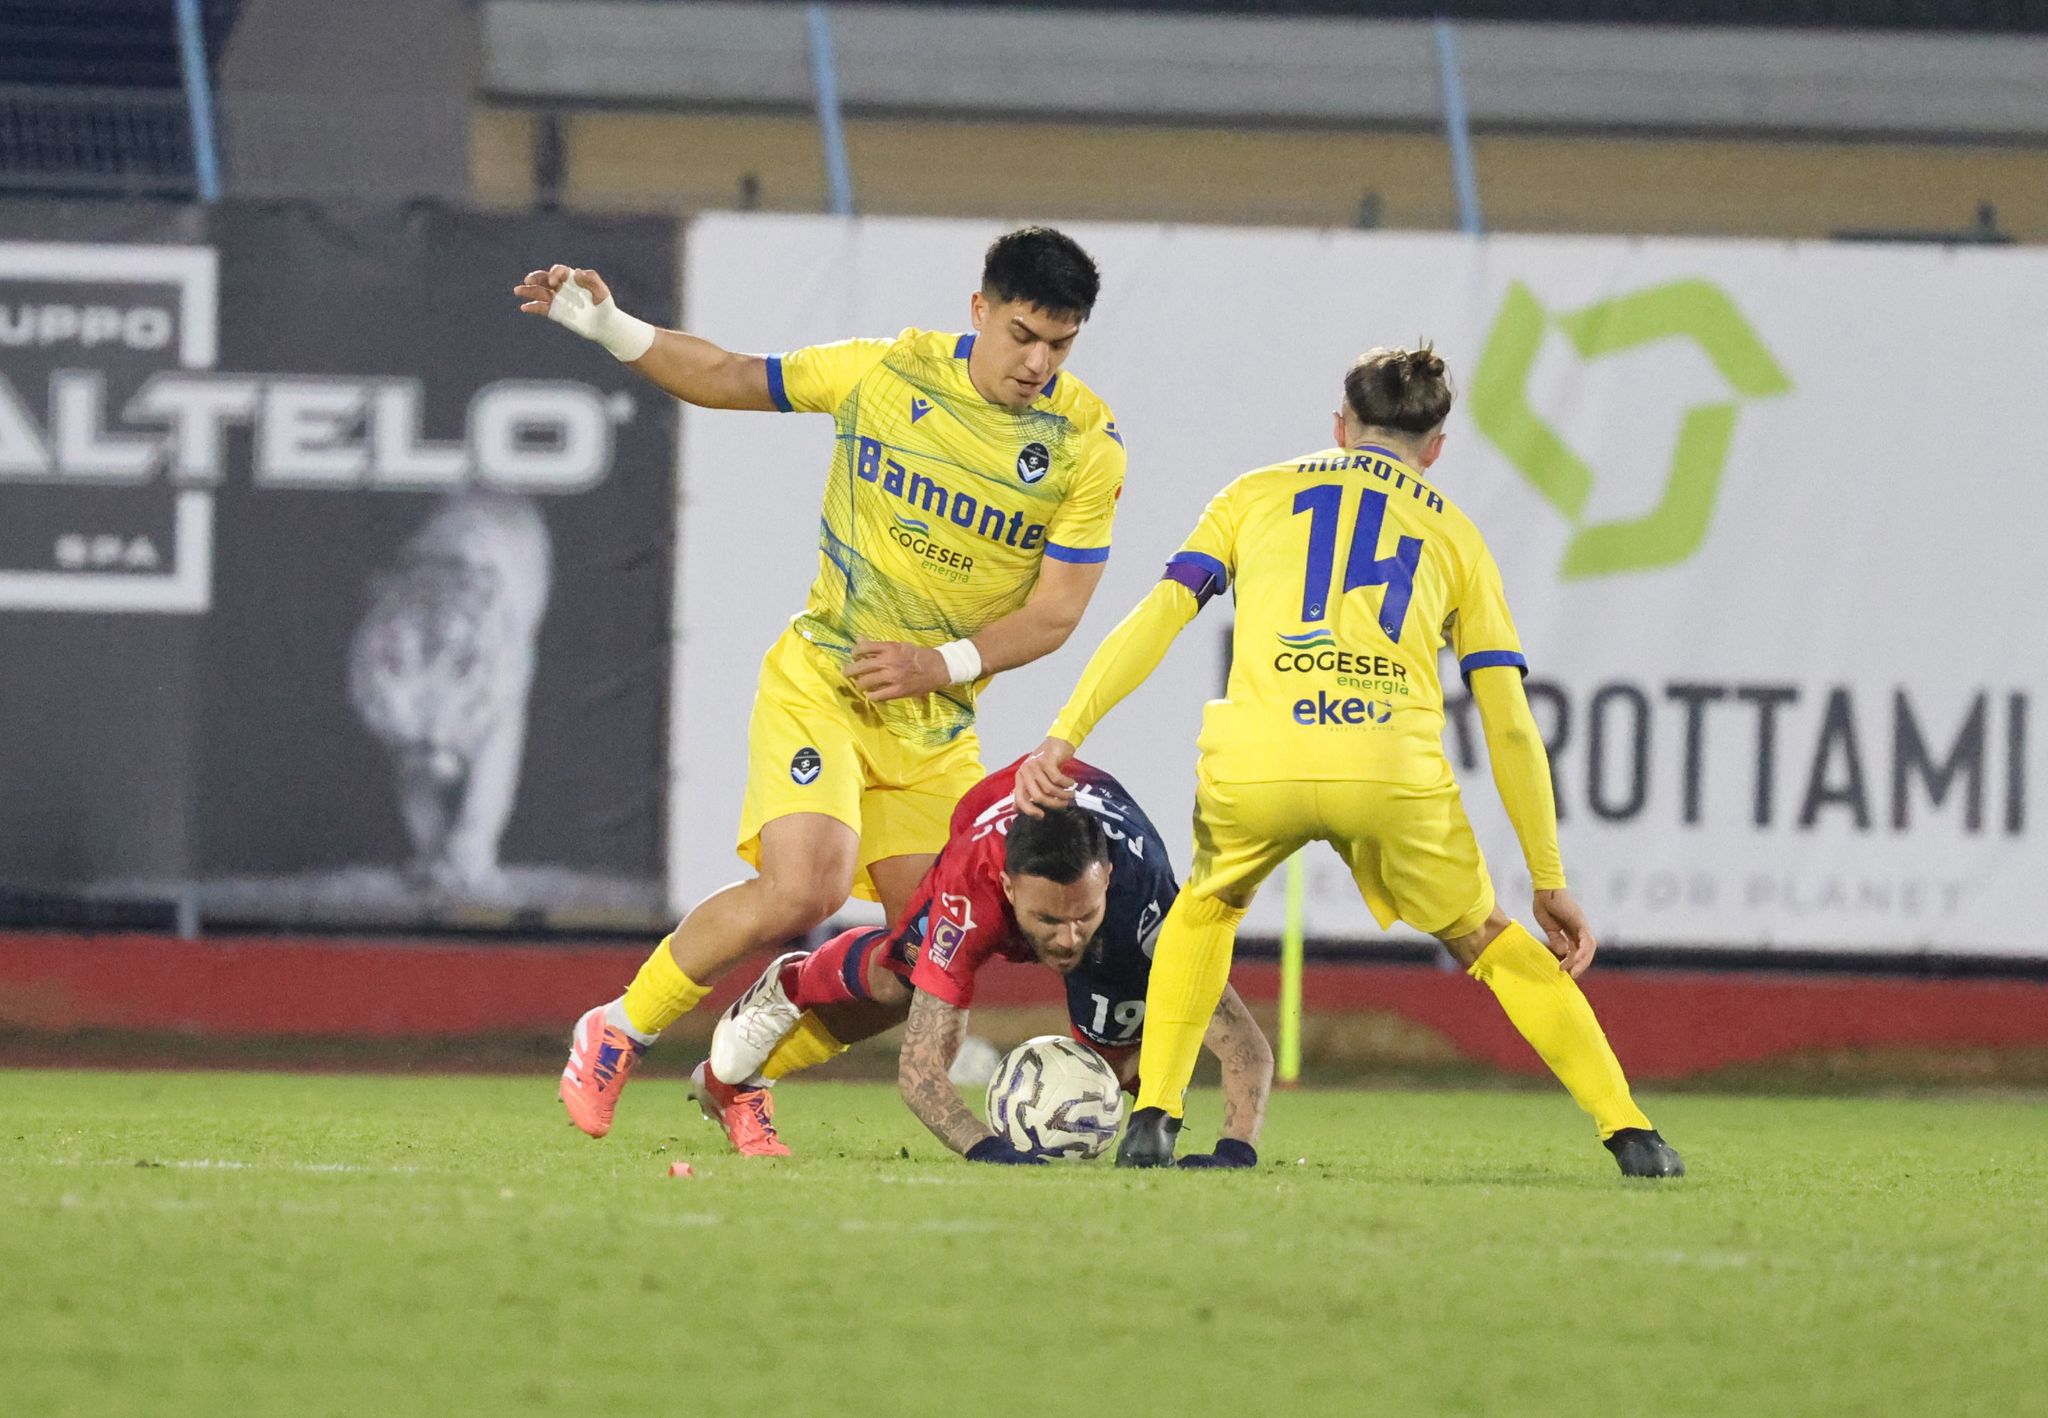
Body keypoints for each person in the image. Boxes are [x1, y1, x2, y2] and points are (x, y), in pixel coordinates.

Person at [1014, 344, 1683, 1178]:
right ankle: (1632, 1134)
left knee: (1206, 910)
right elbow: (1509, 721)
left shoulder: (1252, 494)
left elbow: (1159, 616)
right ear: (1436, 447)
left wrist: (1066, 732)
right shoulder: (1457, 535)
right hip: (1388, 770)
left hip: (1259, 761)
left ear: (1340, 425)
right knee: (1485, 937)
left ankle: (1154, 1118)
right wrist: (1548, 877)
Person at [515, 229, 1128, 1137]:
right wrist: (612, 328)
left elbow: (1057, 612)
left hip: (934, 721)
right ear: (980, 311)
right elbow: (730, 375)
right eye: (1023, 335)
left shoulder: (1084, 444)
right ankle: (619, 1027)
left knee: (926, 962)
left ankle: (740, 1073)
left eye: (1061, 345)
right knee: (806, 887)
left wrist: (939, 665)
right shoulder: (886, 373)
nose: (1038, 363)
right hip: (827, 680)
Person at [693, 759, 1272, 1166]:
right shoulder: (969, 891)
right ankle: (796, 980)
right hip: (985, 813)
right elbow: (921, 1072)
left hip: (1106, 850)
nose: (1068, 939)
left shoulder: (1149, 907)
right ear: (1010, 889)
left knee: (1121, 1066)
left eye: (1082, 917)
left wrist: (1234, 1150)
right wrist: (987, 1148)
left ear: (1108, 883)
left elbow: (1246, 1048)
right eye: (1049, 920)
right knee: (897, 988)